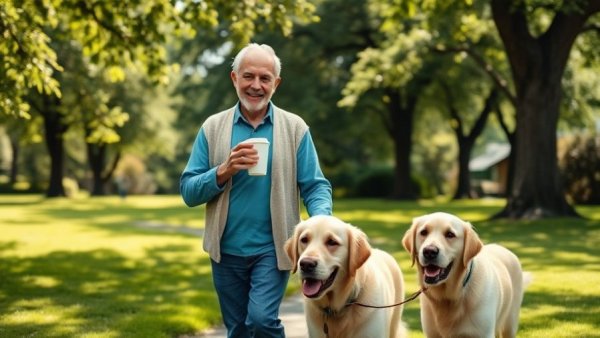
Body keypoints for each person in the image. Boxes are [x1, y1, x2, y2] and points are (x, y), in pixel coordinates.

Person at [180, 43, 333, 338]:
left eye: (265, 78)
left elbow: (315, 185)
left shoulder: (295, 128)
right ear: (234, 78)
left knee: (261, 321)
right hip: (225, 251)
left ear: (276, 84)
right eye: (248, 76)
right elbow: (188, 191)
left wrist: (321, 222)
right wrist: (224, 170)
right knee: (237, 329)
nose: (256, 85)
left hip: (273, 249)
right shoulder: (212, 128)